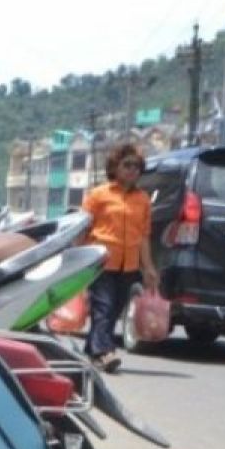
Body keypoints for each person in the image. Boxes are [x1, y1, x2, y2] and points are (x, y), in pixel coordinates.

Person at [81, 143, 159, 372]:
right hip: (102, 260)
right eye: (127, 165)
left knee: (114, 309)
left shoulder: (143, 199)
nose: (133, 170)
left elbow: (144, 236)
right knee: (103, 306)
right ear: (115, 167)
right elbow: (82, 228)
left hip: (129, 264)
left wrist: (149, 268)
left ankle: (93, 349)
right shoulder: (98, 195)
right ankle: (105, 352)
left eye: (137, 167)